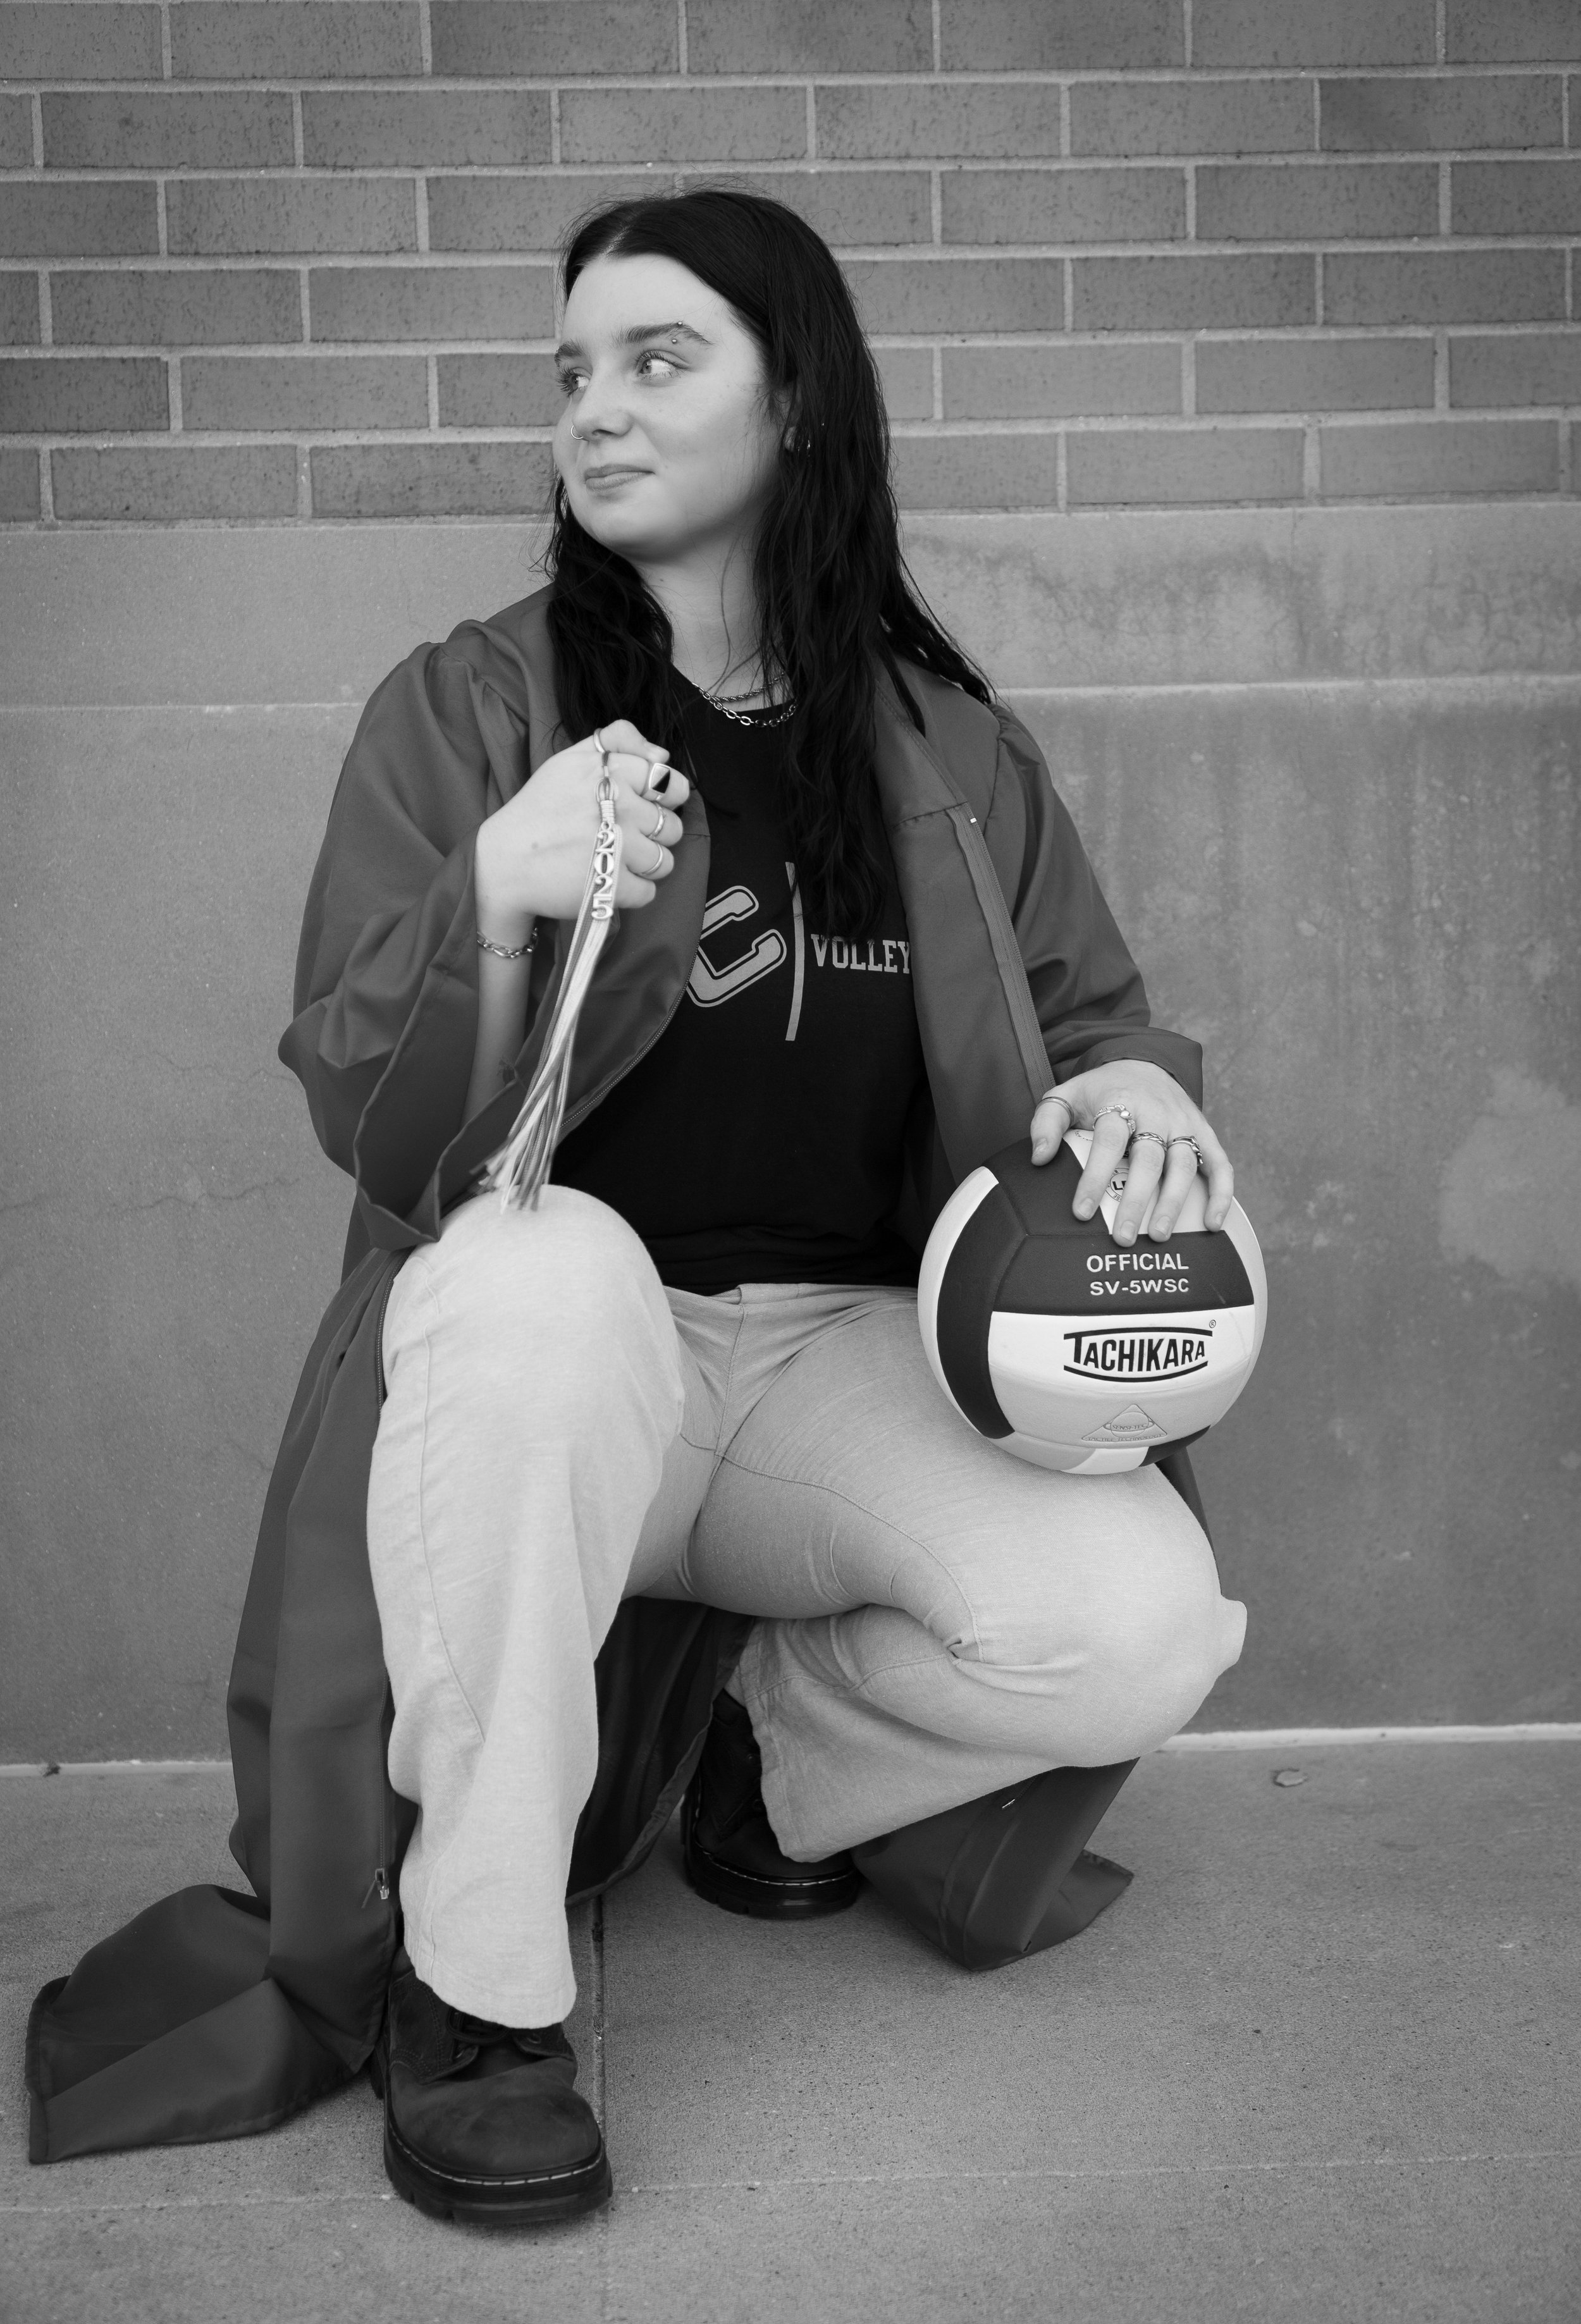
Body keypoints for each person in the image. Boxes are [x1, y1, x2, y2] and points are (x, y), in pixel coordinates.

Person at [26, 190, 1246, 2224]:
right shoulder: (474, 709)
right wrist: (496, 889)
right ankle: (480, 1988)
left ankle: (764, 1767)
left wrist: (1129, 1093)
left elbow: (1082, 1014)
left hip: (842, 1370)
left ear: (798, 404)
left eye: (657, 359)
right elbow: (370, 1105)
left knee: (1139, 1621)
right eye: (570, 369)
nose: (594, 408)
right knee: (544, 1275)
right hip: (559, 1368)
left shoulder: (941, 742)